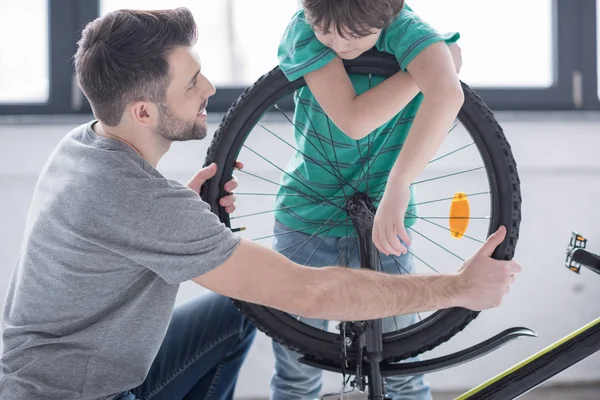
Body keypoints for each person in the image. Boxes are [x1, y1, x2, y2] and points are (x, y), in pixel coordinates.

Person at [0, 7, 520, 400]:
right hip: (78, 395)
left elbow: (126, 228)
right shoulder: (138, 201)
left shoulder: (82, 147)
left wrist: (185, 213)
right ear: (142, 111)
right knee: (281, 300)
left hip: (59, 374)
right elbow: (311, 295)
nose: (209, 87)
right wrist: (459, 287)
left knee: (245, 302)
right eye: (191, 83)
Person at [271, 0, 466, 398]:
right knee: (297, 373)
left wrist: (401, 183)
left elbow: (449, 95)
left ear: (388, 11)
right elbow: (354, 120)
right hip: (305, 221)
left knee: (403, 370)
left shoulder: (403, 25)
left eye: (356, 36)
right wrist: (421, 72)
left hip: (386, 223)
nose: (339, 45)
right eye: (326, 32)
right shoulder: (305, 27)